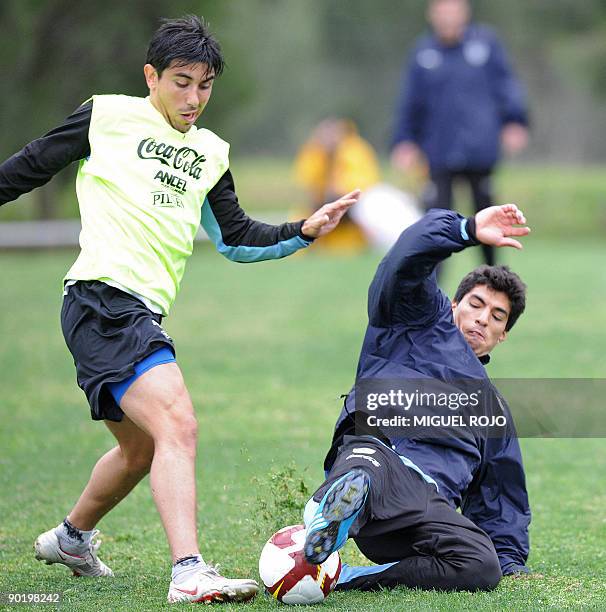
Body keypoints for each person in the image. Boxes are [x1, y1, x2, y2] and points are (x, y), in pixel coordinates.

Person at [0, 15, 359, 605]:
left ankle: (71, 537)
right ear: (152, 76)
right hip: (102, 298)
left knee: (142, 449)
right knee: (179, 425)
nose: (194, 98)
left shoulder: (212, 153)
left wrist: (305, 228)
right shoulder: (107, 116)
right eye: (181, 82)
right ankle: (189, 572)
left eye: (205, 85)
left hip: (137, 312)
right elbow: (27, 168)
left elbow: (237, 237)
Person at [303, 204, 532, 591]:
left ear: (503, 334)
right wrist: (466, 229)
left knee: (481, 564)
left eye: (497, 316)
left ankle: (350, 578)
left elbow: (501, 493)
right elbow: (404, 259)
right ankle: (334, 512)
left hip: (421, 504)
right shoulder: (414, 317)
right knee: (366, 466)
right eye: (476, 304)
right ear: (454, 304)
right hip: (376, 456)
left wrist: (509, 559)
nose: (482, 319)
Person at [391, 0, 529, 268]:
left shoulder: (486, 44)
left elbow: (506, 86)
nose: (448, 17)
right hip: (439, 151)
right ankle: (431, 285)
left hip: (480, 150)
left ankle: (493, 275)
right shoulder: (423, 53)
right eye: (442, 11)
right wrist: (405, 140)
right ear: (431, 14)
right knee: (436, 220)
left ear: (464, 12)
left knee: (488, 214)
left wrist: (514, 120)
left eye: (453, 10)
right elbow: (410, 102)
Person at [294, 118, 380, 252]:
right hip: (323, 206)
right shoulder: (314, 152)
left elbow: (362, 185)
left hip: (351, 212)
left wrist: (338, 190)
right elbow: (307, 184)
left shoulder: (355, 151)